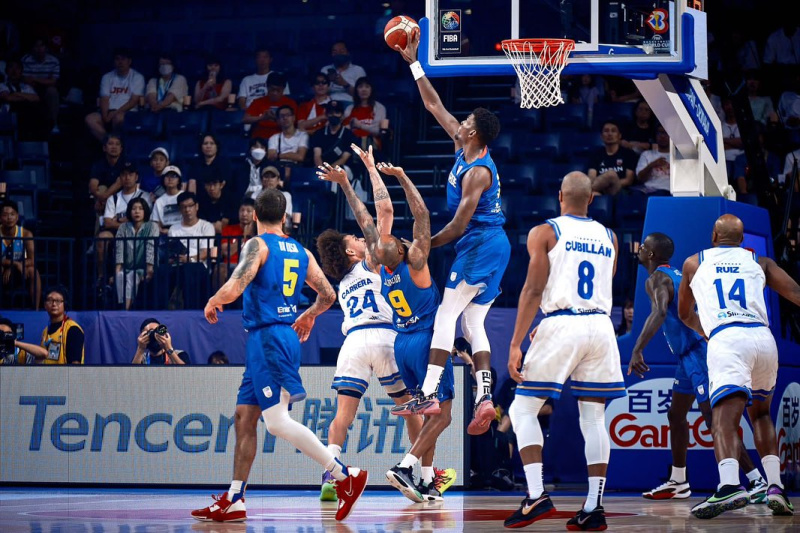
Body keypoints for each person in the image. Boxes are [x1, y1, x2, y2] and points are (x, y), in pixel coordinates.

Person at [194, 188, 368, 522]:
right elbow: (328, 294)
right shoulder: (301, 251)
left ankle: (346, 476)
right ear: (285, 217)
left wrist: (214, 299)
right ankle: (235, 498)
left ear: (255, 216)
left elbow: (236, 283)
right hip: (277, 335)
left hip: (269, 337)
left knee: (276, 422)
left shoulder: (257, 245)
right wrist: (309, 315)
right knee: (245, 417)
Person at [392, 32, 510, 437]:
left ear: (473, 134)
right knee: (473, 324)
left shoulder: (478, 171)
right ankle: (484, 398)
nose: (458, 124)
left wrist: (423, 247)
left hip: (480, 243)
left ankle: (426, 391)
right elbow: (433, 103)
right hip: (489, 246)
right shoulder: (464, 149)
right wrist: (413, 62)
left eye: (465, 123)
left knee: (446, 313)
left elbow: (459, 225)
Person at [318, 159, 451, 503]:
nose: (360, 237)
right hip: (390, 337)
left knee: (342, 416)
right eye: (354, 238)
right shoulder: (377, 260)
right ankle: (422, 477)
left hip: (353, 342)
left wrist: (347, 182)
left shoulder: (344, 281)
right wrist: (367, 170)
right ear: (352, 250)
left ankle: (331, 474)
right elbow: (382, 209)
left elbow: (365, 218)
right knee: (414, 409)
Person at [503, 172, 625, 529]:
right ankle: (593, 506)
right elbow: (604, 281)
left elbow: (532, 290)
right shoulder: (610, 236)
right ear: (591, 199)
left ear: (560, 196)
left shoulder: (546, 232)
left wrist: (515, 343)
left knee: (522, 408)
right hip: (600, 326)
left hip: (563, 324)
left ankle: (537, 495)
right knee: (594, 419)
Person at [678, 214, 800, 519]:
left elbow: (683, 313)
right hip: (763, 338)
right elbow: (796, 294)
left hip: (728, 339)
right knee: (760, 414)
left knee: (723, 419)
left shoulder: (694, 263)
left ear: (714, 237)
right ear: (742, 240)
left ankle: (730, 484)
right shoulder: (761, 262)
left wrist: (710, 332)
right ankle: (775, 487)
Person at [630, 232, 767, 503]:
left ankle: (756, 480)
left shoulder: (656, 278)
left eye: (643, 247)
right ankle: (679, 480)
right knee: (676, 414)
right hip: (689, 355)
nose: (640, 250)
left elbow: (658, 313)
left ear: (652, 254)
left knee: (715, 422)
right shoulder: (678, 274)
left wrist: (637, 349)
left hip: (698, 355)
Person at [85, 47, 145, 142]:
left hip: (127, 112)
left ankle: (117, 144)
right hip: (108, 112)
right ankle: (108, 142)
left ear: (129, 61)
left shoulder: (137, 77)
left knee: (119, 118)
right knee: (90, 119)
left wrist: (115, 113)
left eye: (123, 59)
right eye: (117, 59)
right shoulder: (107, 77)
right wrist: (105, 116)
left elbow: (133, 101)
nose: (120, 62)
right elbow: (104, 98)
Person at [13, 285, 84, 364]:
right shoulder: (45, 331)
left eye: (58, 301)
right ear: (45, 305)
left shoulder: (73, 329)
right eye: (50, 300)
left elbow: (75, 365)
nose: (54, 304)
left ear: (65, 304)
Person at [114, 197, 159, 309]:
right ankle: (122, 305)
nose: (137, 211)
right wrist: (117, 269)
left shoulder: (152, 226)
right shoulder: (123, 227)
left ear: (145, 211)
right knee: (120, 275)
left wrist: (149, 269)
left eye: (140, 208)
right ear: (129, 211)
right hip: (128, 266)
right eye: (134, 209)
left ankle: (126, 309)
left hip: (143, 267)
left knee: (131, 277)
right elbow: (119, 248)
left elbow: (150, 247)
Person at [1, 200, 41, 310]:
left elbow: (32, 260)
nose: (9, 218)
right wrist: (13, 264)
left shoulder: (26, 234)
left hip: (19, 271)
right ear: (0, 218)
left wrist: (16, 266)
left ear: (17, 217)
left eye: (12, 214)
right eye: (5, 215)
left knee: (33, 271)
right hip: (3, 270)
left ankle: (35, 310)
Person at [21, 37, 60, 133]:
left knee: (52, 92)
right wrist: (42, 81)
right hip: (30, 87)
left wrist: (35, 79)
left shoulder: (54, 61)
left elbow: (53, 81)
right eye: (36, 46)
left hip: (46, 88)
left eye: (41, 46)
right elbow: (26, 79)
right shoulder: (25, 59)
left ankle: (54, 124)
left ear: (46, 48)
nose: (39, 48)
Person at [588, 120, 637, 196]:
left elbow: (628, 180)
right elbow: (591, 176)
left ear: (619, 135)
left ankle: (579, 192)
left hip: (620, 191)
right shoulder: (596, 154)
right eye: (606, 131)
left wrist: (608, 183)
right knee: (594, 194)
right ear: (601, 136)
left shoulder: (628, 154)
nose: (609, 134)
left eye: (613, 131)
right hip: (600, 190)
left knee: (611, 175)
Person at [243, 73, 296, 141]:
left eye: (278, 90)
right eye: (272, 89)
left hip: (283, 139)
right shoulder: (258, 102)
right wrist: (262, 118)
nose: (275, 93)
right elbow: (245, 119)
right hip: (261, 140)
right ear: (267, 87)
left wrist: (277, 119)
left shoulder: (290, 103)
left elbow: (293, 123)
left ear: (283, 89)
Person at [344, 77, 387, 152]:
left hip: (372, 146)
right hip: (351, 146)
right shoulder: (349, 108)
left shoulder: (379, 107)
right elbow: (344, 129)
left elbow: (378, 131)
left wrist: (360, 126)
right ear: (356, 90)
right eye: (360, 87)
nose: (364, 89)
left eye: (367, 86)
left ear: (371, 90)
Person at [634, 124, 672, 196]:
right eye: (660, 133)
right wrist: (652, 165)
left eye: (666, 133)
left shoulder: (678, 156)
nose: (663, 136)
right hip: (649, 190)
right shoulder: (646, 155)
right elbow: (640, 178)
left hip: (669, 191)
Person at [267, 105, 309, 169]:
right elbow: (271, 156)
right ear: (278, 120)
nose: (285, 118)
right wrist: (291, 154)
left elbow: (300, 157)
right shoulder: (273, 138)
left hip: (296, 167)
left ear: (293, 118)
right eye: (282, 116)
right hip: (278, 167)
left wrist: (279, 155)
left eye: (288, 115)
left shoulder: (302, 135)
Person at [151, 165, 184, 234]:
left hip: (182, 231)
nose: (170, 179)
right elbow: (155, 222)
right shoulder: (159, 201)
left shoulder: (185, 197)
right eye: (167, 176)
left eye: (174, 176)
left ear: (178, 180)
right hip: (164, 234)